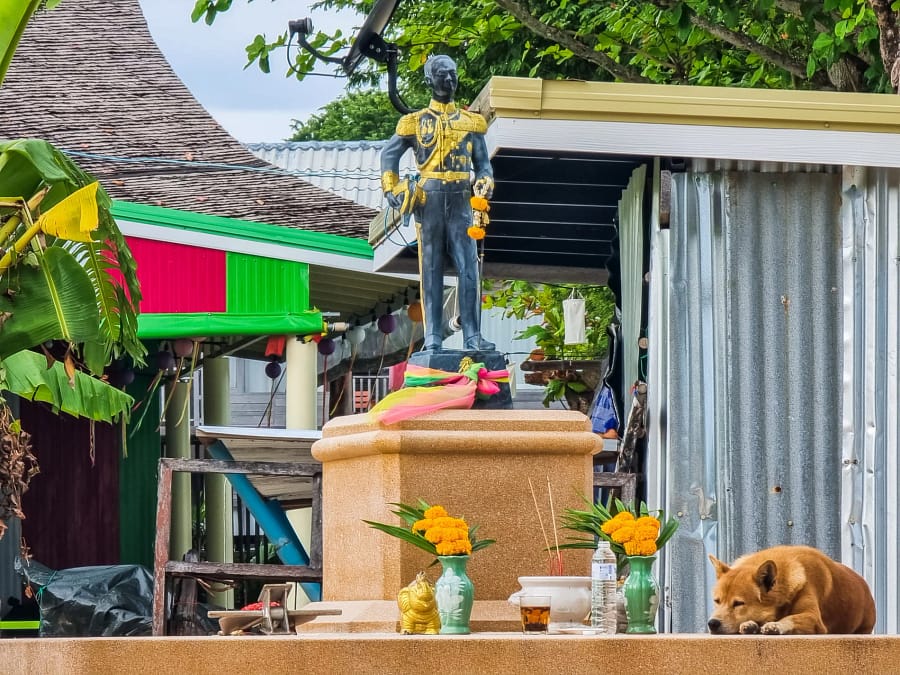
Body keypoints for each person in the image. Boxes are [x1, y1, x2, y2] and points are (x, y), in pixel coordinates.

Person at [380, 55, 495, 353]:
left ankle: (472, 334)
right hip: (428, 198)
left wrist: (485, 180)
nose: (449, 79)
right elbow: (389, 155)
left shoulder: (472, 123)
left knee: (469, 267)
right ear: (429, 80)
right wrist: (390, 186)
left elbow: (483, 164)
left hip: (461, 200)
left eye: (453, 74)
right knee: (429, 267)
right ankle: (433, 335)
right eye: (442, 74)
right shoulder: (413, 122)